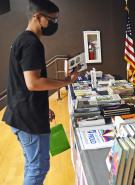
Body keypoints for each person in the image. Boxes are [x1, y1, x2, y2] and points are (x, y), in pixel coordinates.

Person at [2, 0, 78, 184]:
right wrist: (65, 82)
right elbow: (33, 83)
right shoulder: (31, 44)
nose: (55, 24)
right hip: (27, 120)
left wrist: (42, 108)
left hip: (20, 114)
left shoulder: (21, 39)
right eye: (52, 20)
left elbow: (22, 84)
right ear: (38, 17)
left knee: (31, 164)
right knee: (38, 168)